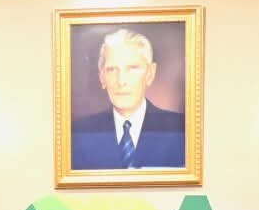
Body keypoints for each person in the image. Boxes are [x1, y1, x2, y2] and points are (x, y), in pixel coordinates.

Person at [69, 28, 187, 171]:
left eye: (132, 68)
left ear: (150, 74)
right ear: (102, 78)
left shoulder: (181, 129)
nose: (121, 81)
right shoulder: (78, 134)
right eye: (112, 70)